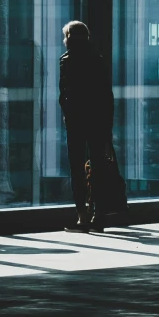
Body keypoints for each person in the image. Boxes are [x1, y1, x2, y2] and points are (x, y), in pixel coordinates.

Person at [58, 19, 114, 232]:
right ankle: (98, 213)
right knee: (98, 167)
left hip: (76, 122)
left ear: (69, 38)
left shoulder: (67, 61)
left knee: (77, 168)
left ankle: (82, 216)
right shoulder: (97, 60)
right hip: (98, 121)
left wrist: (68, 116)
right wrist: (107, 125)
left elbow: (65, 95)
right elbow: (106, 96)